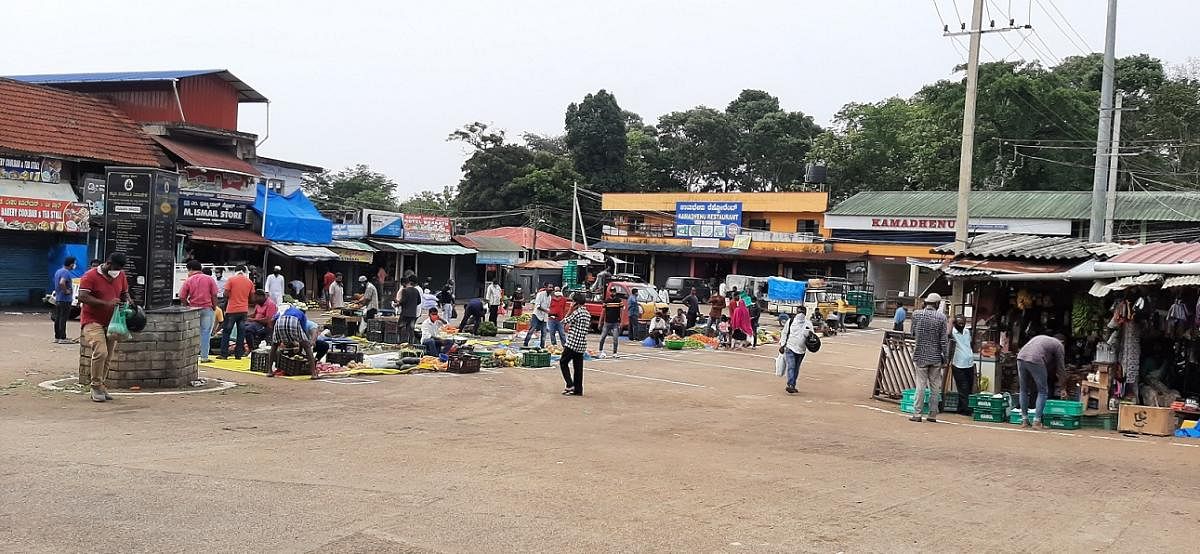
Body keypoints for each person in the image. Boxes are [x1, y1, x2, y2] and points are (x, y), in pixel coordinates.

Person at [78, 253, 131, 402]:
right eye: (115, 268)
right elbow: (82, 297)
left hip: (113, 322)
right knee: (100, 352)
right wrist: (105, 303)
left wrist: (129, 303)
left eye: (120, 269)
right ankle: (95, 386)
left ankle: (101, 385)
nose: (117, 272)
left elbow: (124, 293)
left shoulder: (121, 275)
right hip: (92, 320)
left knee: (108, 356)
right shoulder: (90, 276)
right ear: (108, 264)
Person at [909, 293, 949, 423]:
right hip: (936, 356)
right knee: (935, 386)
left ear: (926, 303)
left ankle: (917, 414)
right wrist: (946, 356)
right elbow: (944, 340)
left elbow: (912, 332)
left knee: (920, 385)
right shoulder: (942, 317)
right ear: (937, 304)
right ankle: (932, 414)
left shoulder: (916, 314)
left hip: (920, 354)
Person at [1016, 333, 1066, 429]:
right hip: (1035, 359)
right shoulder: (1059, 345)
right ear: (1063, 342)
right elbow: (1061, 369)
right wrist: (1063, 388)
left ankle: (1024, 420)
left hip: (1021, 357)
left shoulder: (1042, 338)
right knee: (1043, 391)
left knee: (1023, 390)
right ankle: (1037, 421)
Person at [179, 259, 219, 362]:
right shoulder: (209, 279)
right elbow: (214, 295)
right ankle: (204, 357)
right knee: (205, 333)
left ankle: (190, 357)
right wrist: (214, 307)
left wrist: (186, 306)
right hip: (207, 308)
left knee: (191, 333)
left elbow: (182, 296)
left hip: (193, 310)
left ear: (191, 269)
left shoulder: (189, 280)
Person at [269, 304, 317, 379]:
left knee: (274, 346)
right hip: (293, 321)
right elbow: (302, 331)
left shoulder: (283, 311)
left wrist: (275, 336)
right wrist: (303, 344)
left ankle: (269, 371)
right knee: (307, 347)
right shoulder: (301, 315)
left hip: (279, 322)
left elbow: (272, 320)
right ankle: (314, 373)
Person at [219, 265, 256, 360]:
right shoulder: (249, 282)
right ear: (244, 271)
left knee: (226, 332)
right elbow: (252, 298)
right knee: (241, 333)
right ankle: (238, 354)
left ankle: (224, 354)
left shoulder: (231, 280)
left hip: (231, 310)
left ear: (236, 271)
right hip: (243, 311)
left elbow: (226, 294)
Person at [559, 292, 590, 396]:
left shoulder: (577, 313)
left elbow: (564, 321)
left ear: (576, 302)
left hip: (573, 343)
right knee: (578, 368)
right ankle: (578, 389)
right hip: (581, 344)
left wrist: (570, 310)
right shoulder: (587, 313)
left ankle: (569, 384)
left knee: (563, 362)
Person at [779, 306, 815, 394]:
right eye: (799, 312)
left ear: (806, 313)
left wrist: (811, 335)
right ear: (796, 312)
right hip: (790, 347)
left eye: (803, 312)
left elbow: (813, 337)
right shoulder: (790, 322)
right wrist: (782, 345)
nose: (801, 314)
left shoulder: (808, 324)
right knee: (791, 366)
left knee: (796, 368)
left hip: (802, 349)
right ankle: (790, 384)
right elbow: (784, 333)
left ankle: (793, 384)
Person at [949, 316, 975, 415]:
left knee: (968, 387)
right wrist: (951, 321)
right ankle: (966, 410)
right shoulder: (952, 333)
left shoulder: (967, 332)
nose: (962, 325)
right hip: (958, 364)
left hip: (969, 363)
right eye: (959, 323)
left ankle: (960, 409)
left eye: (963, 323)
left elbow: (969, 344)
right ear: (955, 324)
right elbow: (947, 333)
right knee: (963, 388)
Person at [52, 256, 77, 344]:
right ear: (71, 264)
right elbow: (62, 282)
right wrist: (66, 291)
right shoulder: (66, 272)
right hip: (65, 299)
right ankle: (62, 337)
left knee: (58, 318)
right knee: (63, 318)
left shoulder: (58, 271)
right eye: (74, 263)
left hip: (59, 298)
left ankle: (57, 337)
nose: (74, 265)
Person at [597, 287, 623, 356]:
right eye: (611, 292)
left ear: (615, 292)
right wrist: (600, 322)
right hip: (607, 322)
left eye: (613, 292)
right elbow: (603, 312)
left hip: (615, 322)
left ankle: (615, 352)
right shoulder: (606, 301)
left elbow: (621, 312)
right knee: (602, 337)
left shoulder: (619, 301)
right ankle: (600, 350)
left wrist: (621, 322)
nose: (612, 293)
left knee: (615, 338)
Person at [525, 283, 551, 348]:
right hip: (536, 315)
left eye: (551, 287)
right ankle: (525, 344)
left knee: (544, 333)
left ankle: (542, 346)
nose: (551, 289)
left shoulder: (550, 297)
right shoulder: (540, 294)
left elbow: (548, 307)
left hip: (544, 316)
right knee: (532, 330)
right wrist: (546, 310)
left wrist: (549, 312)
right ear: (546, 287)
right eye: (549, 287)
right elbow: (537, 306)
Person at [397, 278, 421, 344]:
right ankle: (411, 344)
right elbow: (419, 301)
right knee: (411, 329)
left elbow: (403, 301)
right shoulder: (416, 290)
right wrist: (413, 305)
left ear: (405, 283)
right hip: (413, 314)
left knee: (399, 327)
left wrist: (398, 304)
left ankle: (399, 342)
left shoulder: (404, 290)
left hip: (405, 313)